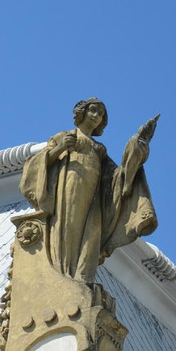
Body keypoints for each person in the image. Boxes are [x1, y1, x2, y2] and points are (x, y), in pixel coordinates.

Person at [20, 99, 157, 284]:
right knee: (68, 228)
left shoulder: (99, 149)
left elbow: (117, 178)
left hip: (94, 199)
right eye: (93, 111)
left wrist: (136, 148)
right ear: (82, 112)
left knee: (91, 236)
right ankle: (64, 275)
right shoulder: (65, 136)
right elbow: (37, 164)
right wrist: (61, 147)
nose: (96, 116)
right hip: (70, 190)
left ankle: (82, 280)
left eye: (100, 115)